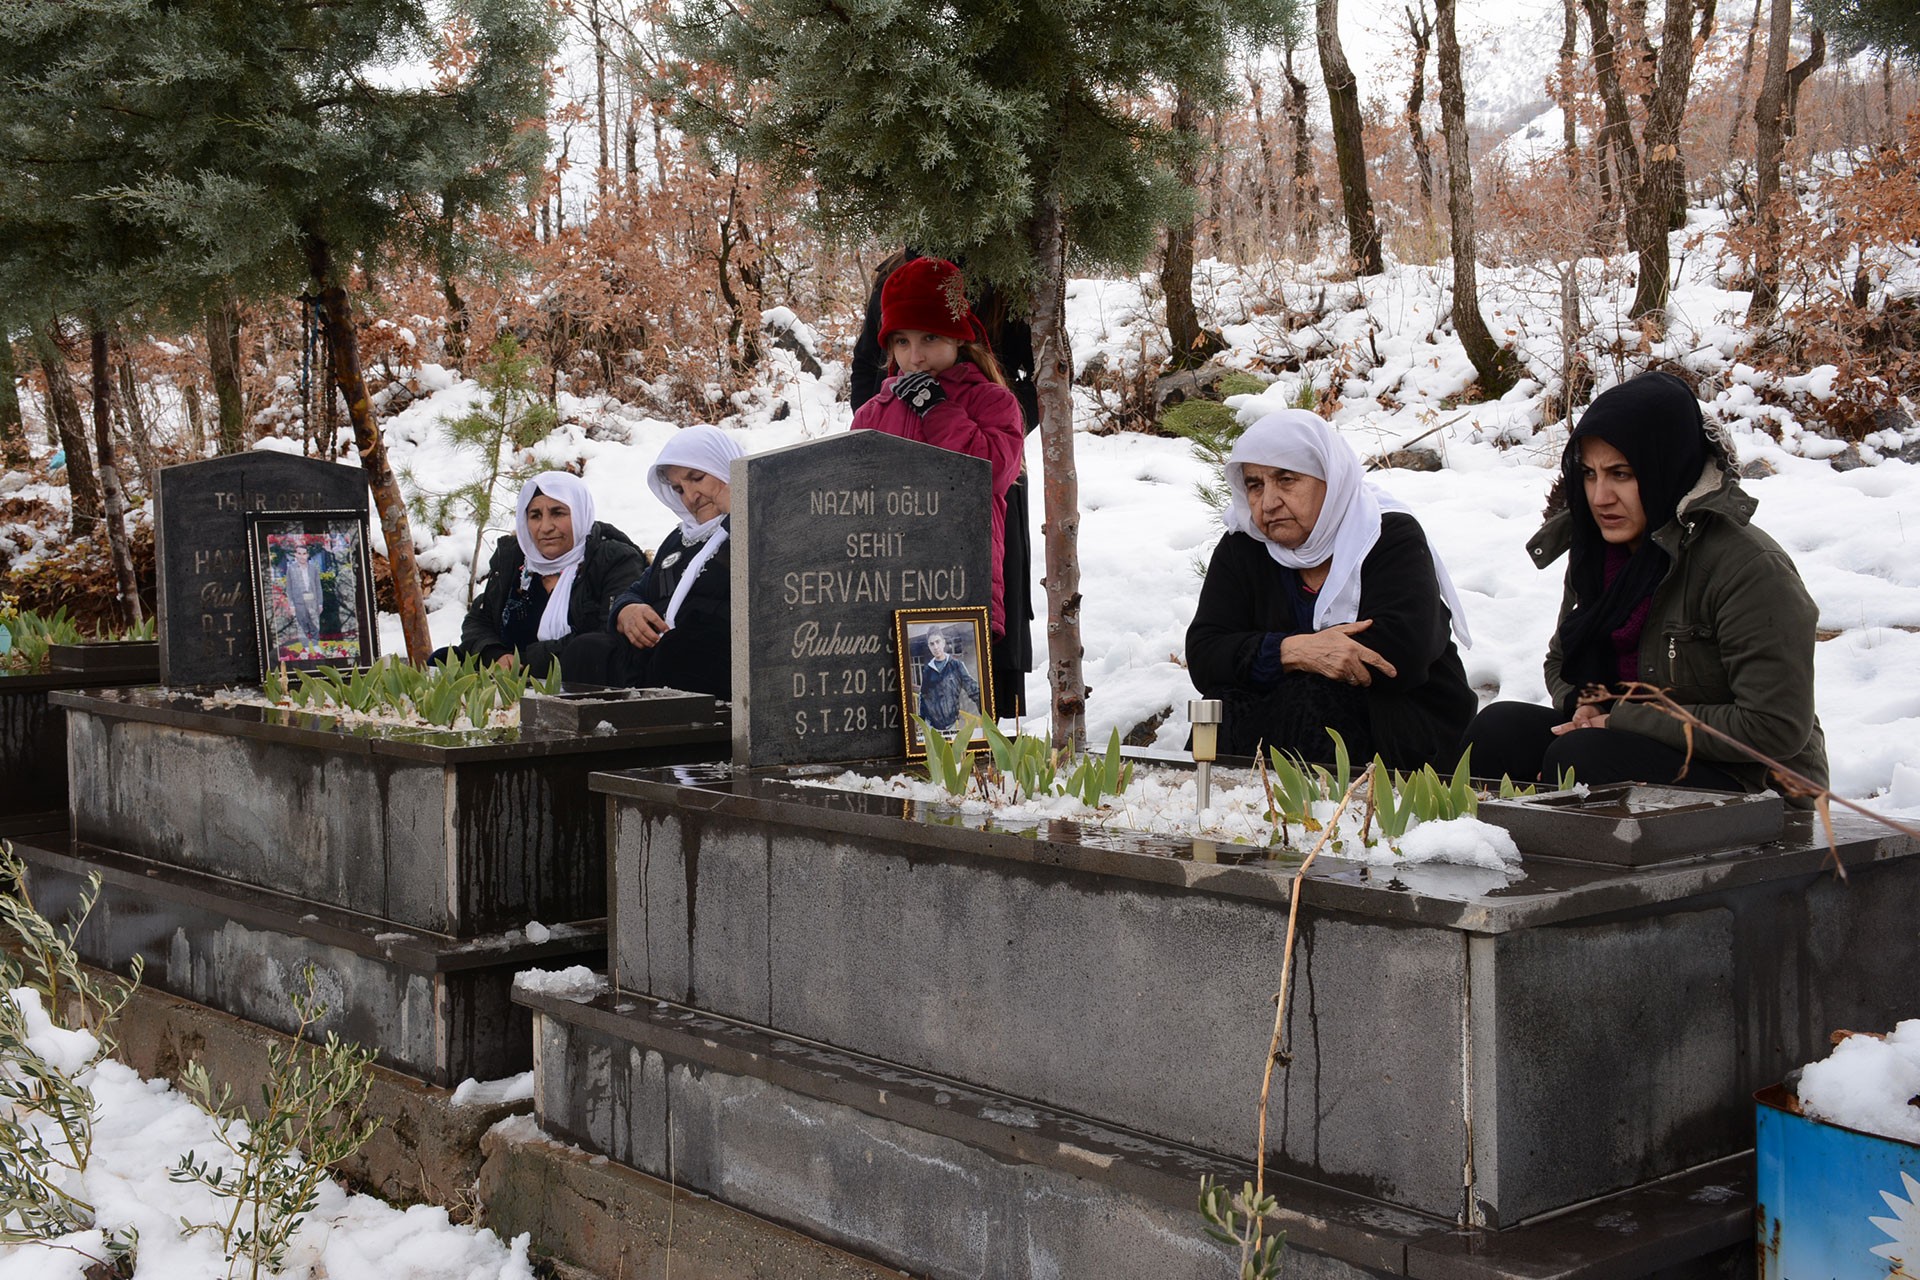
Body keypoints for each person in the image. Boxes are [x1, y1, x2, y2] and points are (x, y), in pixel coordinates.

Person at [1460, 370, 1828, 797]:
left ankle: (1572, 860)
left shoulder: (1747, 568)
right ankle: (1489, 854)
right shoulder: (1599, 552)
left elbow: (1774, 727)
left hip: (1755, 784)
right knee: (1499, 729)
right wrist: (1585, 702)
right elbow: (1560, 660)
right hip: (1625, 740)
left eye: (1622, 474)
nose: (1600, 497)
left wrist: (1622, 717)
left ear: (1664, 469)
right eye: (1590, 474)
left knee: (1581, 758)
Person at [1185, 409, 1476, 770]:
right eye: (1255, 485)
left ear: (1331, 479)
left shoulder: (1386, 536)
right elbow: (1205, 654)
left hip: (1402, 725)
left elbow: (1402, 652)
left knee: (1311, 693)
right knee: (1221, 706)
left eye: (1286, 479)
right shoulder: (1244, 547)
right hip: (1281, 718)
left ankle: (1326, 822)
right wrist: (1293, 650)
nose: (1268, 502)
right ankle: (1215, 816)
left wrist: (1271, 657)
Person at [851, 249, 1038, 717]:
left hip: (963, 590)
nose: (915, 357)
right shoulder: (874, 412)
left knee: (962, 727)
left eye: (930, 338)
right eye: (901, 342)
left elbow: (991, 474)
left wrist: (938, 409)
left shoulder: (993, 402)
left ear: (959, 336)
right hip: (890, 586)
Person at [591, 425, 742, 699]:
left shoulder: (763, 518)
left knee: (682, 650)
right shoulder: (679, 537)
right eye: (679, 488)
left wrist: (742, 507)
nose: (690, 497)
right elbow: (640, 587)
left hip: (720, 659)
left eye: (696, 478)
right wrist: (628, 610)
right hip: (662, 654)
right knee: (589, 651)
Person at [452, 471, 646, 677]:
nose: (545, 527)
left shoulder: (613, 560)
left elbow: (605, 636)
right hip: (511, 677)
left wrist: (525, 662)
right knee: (444, 659)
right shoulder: (515, 559)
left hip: (579, 684)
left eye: (558, 513)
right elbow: (480, 618)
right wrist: (495, 654)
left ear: (580, 513)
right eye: (535, 515)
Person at [917, 630, 982, 733]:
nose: (935, 647)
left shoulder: (956, 666)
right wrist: (920, 720)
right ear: (929, 646)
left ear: (943, 642)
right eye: (932, 644)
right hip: (931, 725)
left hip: (952, 725)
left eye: (937, 642)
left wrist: (985, 711)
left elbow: (972, 688)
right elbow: (923, 696)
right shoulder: (928, 670)